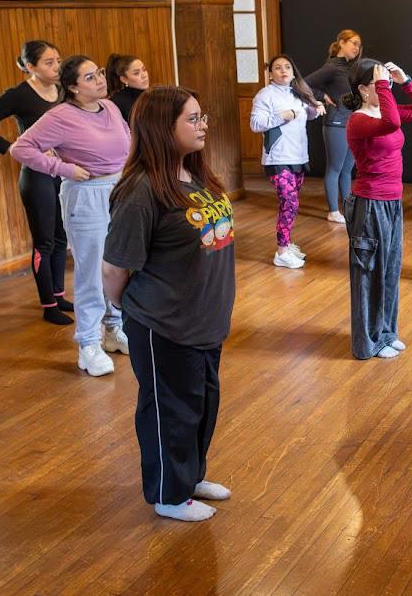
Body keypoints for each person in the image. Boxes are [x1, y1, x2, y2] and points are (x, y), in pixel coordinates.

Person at [103, 85, 235, 523]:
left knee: (201, 405)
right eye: (192, 119)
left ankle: (189, 477)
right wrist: (136, 312)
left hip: (204, 319)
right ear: (163, 128)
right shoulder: (141, 191)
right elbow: (114, 268)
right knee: (170, 411)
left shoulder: (194, 175)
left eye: (202, 116)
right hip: (164, 324)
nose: (203, 125)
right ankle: (168, 494)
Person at [10, 56, 131, 377]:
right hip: (86, 194)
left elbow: (128, 143)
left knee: (118, 265)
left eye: (100, 73)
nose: (100, 79)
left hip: (118, 191)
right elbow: (21, 149)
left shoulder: (110, 108)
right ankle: (88, 344)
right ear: (73, 87)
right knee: (91, 271)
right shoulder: (60, 116)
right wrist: (62, 168)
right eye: (90, 77)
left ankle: (113, 328)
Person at [0, 39, 73, 326]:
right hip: (36, 176)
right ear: (30, 66)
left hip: (60, 172)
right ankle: (49, 305)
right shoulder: (18, 95)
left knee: (61, 237)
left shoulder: (62, 90)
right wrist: (11, 148)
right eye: (49, 62)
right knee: (44, 242)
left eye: (58, 60)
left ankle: (59, 295)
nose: (56, 67)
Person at [343, 59, 412, 359]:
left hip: (392, 201)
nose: (387, 89)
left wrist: (405, 79)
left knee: (390, 271)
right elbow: (392, 123)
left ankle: (385, 333)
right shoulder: (358, 120)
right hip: (370, 205)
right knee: (369, 274)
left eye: (387, 84)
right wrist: (385, 85)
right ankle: (367, 343)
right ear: (362, 89)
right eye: (379, 84)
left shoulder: (384, 111)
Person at [250, 55, 326, 268]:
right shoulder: (265, 95)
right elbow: (255, 124)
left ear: (293, 72)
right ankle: (282, 252)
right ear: (270, 74)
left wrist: (315, 108)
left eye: (287, 67)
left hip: (298, 156)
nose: (283, 70)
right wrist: (283, 115)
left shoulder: (298, 93)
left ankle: (287, 243)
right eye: (277, 67)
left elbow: (306, 115)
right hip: (277, 158)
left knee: (290, 204)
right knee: (290, 203)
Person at [305, 30, 363, 224]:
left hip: (352, 123)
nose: (357, 48)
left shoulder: (349, 68)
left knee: (347, 170)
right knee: (335, 169)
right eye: (353, 43)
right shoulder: (332, 67)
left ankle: (346, 210)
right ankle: (333, 211)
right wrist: (321, 97)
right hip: (336, 123)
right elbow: (302, 84)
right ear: (342, 43)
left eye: (359, 45)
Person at [106, 53, 150, 123]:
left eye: (144, 69)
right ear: (124, 79)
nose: (144, 75)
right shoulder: (118, 102)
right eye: (136, 73)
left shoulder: (153, 94)